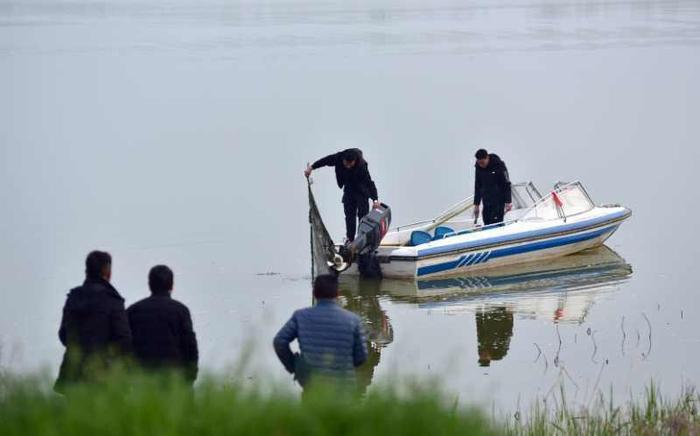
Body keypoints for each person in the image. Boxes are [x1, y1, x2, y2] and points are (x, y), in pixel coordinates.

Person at [273, 274, 368, 394]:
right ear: (337, 294)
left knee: (311, 411)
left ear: (314, 293)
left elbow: (279, 341)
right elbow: (362, 356)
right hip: (344, 387)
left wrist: (294, 367)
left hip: (312, 385)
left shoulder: (300, 316)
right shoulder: (354, 320)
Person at [55, 251, 131, 393]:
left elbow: (63, 335)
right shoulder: (113, 300)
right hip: (103, 376)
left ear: (87, 270)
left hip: (73, 374)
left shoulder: (73, 297)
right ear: (107, 271)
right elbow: (124, 340)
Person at [127, 265, 198, 385]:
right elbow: (190, 348)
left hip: (142, 381)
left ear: (150, 284)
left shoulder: (133, 311)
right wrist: (190, 377)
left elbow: (124, 346)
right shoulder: (181, 311)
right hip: (174, 380)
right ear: (172, 285)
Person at [304, 148, 380, 242]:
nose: (348, 166)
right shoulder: (338, 158)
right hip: (349, 190)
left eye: (350, 164)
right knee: (349, 215)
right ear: (343, 160)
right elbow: (325, 161)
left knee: (362, 215)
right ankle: (350, 239)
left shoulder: (362, 166)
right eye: (346, 163)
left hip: (361, 191)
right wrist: (311, 168)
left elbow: (369, 183)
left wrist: (375, 200)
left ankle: (362, 237)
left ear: (354, 161)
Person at [473, 148, 512, 225]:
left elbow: (506, 183)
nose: (481, 165)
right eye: (479, 163)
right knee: (487, 222)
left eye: (483, 163)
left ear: (487, 158)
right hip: (486, 201)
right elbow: (478, 186)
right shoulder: (478, 168)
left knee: (495, 223)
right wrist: (476, 204)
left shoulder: (499, 165)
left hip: (499, 201)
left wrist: (508, 201)